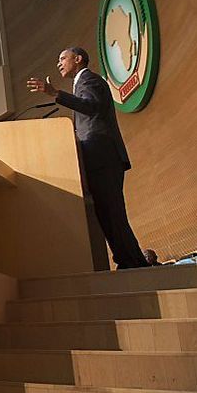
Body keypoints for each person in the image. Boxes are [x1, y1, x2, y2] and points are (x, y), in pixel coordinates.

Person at [28, 47, 148, 269]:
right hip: (98, 159)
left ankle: (133, 263)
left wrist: (55, 94)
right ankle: (130, 261)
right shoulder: (81, 83)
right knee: (107, 213)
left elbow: (91, 107)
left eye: (63, 58)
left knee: (112, 213)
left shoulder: (90, 80)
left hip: (103, 157)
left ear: (78, 59)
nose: (59, 63)